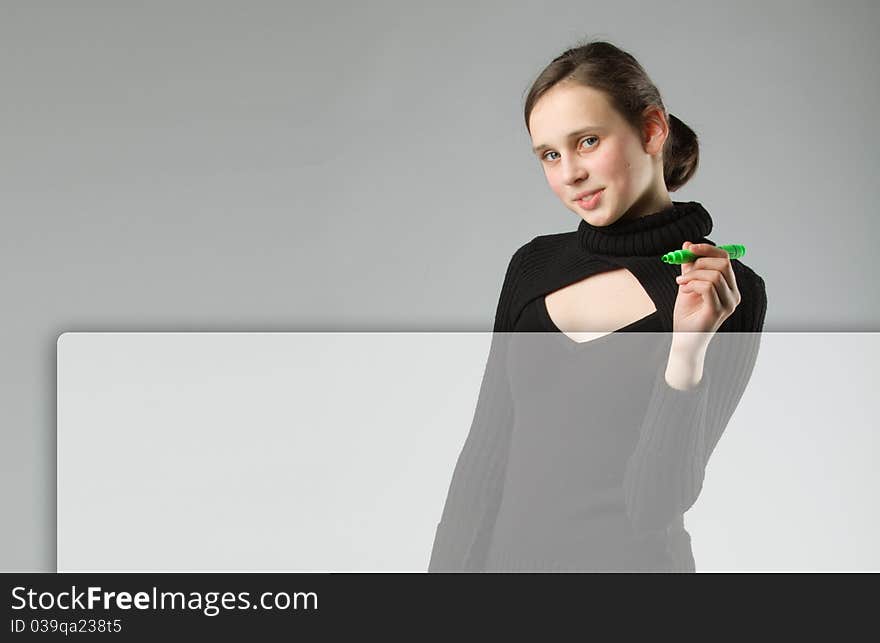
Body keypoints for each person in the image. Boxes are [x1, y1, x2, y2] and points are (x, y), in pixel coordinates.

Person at [427, 39, 767, 573]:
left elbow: (657, 500)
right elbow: (484, 457)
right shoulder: (533, 267)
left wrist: (687, 352)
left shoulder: (725, 290)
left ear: (652, 129)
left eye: (587, 141)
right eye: (550, 154)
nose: (569, 174)